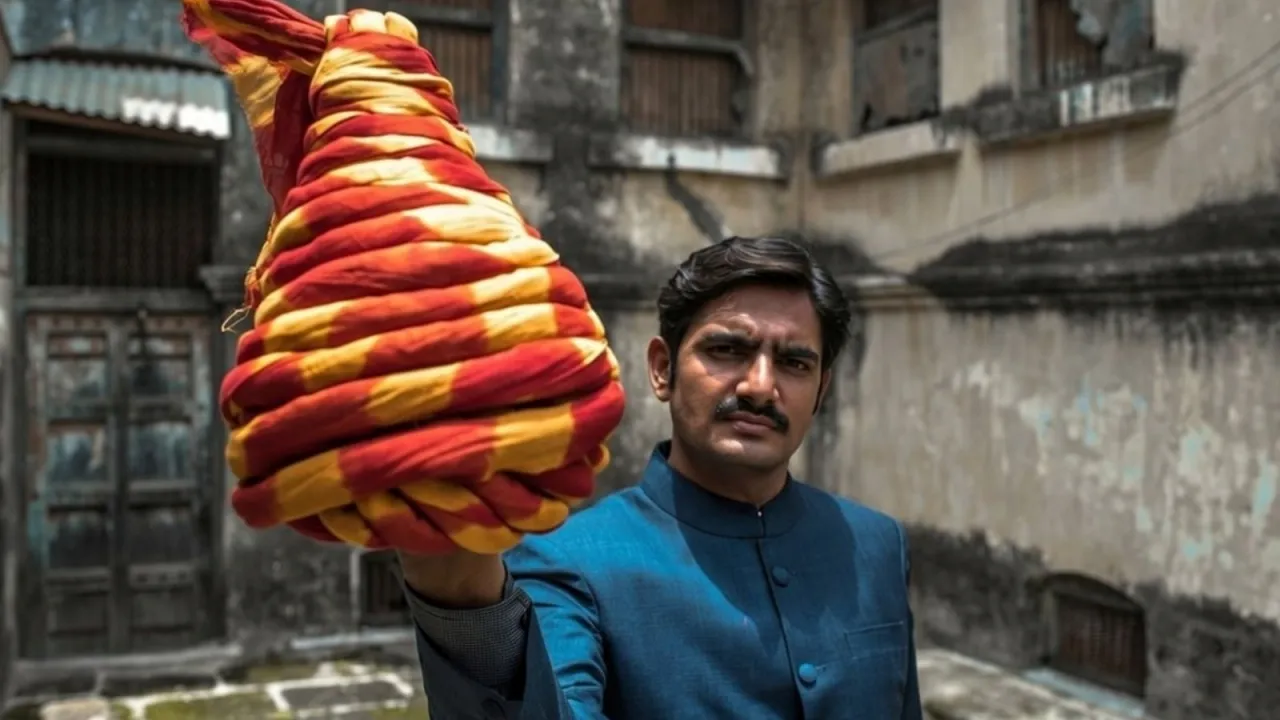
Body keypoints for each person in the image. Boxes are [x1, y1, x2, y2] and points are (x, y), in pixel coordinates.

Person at [400, 235, 923, 719]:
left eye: (794, 362)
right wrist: (453, 575)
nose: (762, 386)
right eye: (728, 351)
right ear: (661, 370)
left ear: (822, 390)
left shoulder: (875, 545)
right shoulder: (568, 560)